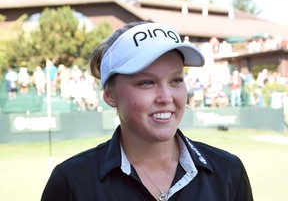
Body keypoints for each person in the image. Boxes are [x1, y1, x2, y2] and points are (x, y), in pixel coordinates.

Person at [41, 21, 253, 201]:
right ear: (109, 95)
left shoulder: (228, 171)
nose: (166, 97)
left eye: (176, 80)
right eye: (146, 82)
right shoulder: (72, 182)